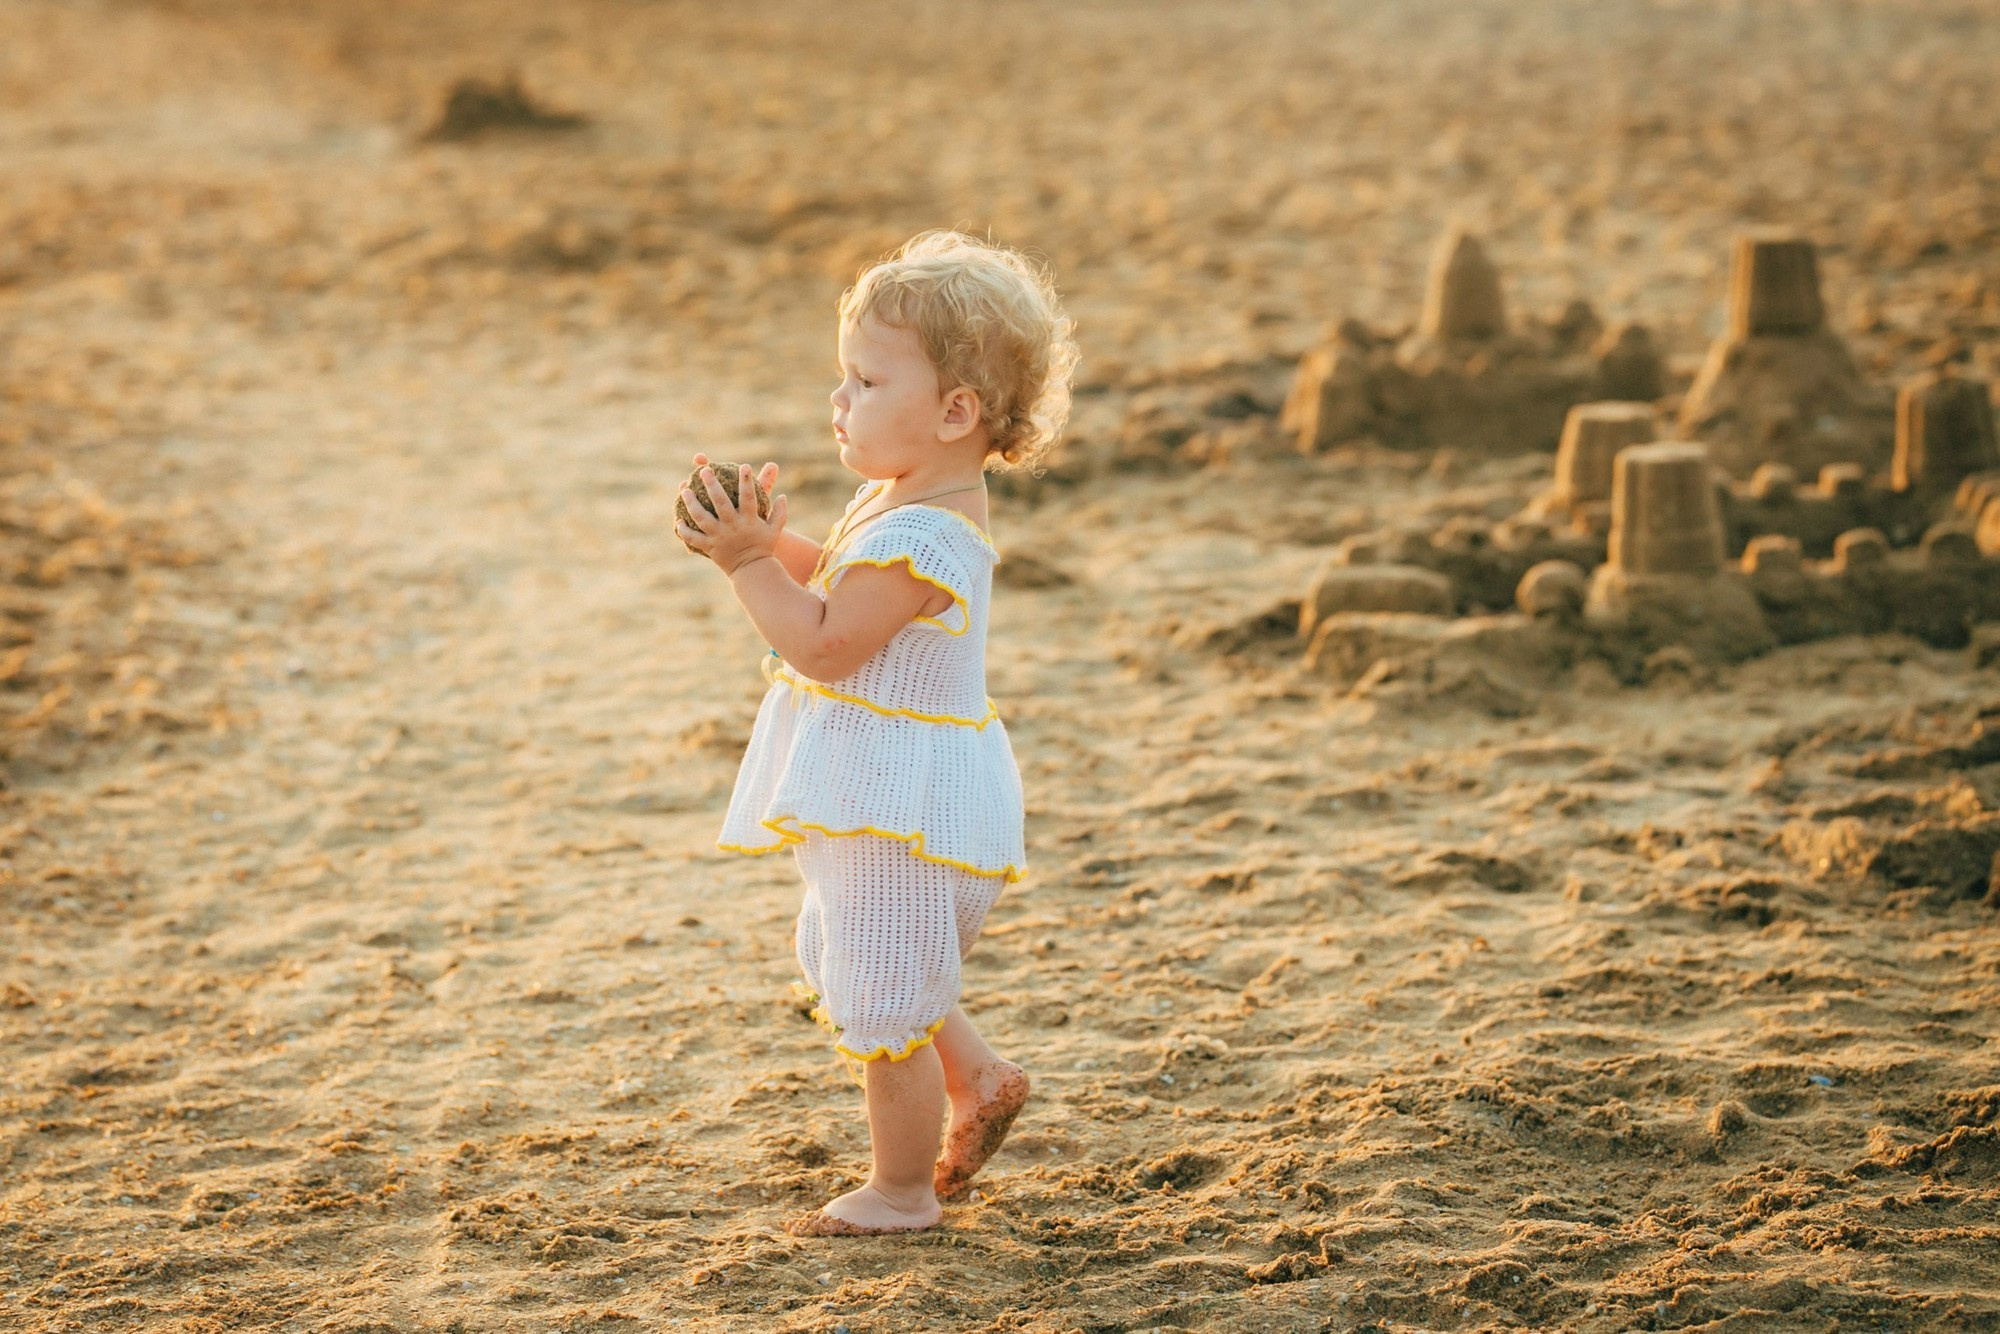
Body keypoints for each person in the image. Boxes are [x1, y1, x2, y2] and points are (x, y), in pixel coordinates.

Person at [674, 230, 1079, 1235]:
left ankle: (899, 1191)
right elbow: (833, 577)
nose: (838, 400)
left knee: (886, 1005)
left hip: (903, 814)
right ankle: (979, 1075)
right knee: (866, 956)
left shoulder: (925, 534)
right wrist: (768, 537)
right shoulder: (902, 498)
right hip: (889, 798)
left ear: (954, 411)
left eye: (863, 378)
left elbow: (823, 642)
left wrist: (742, 567)